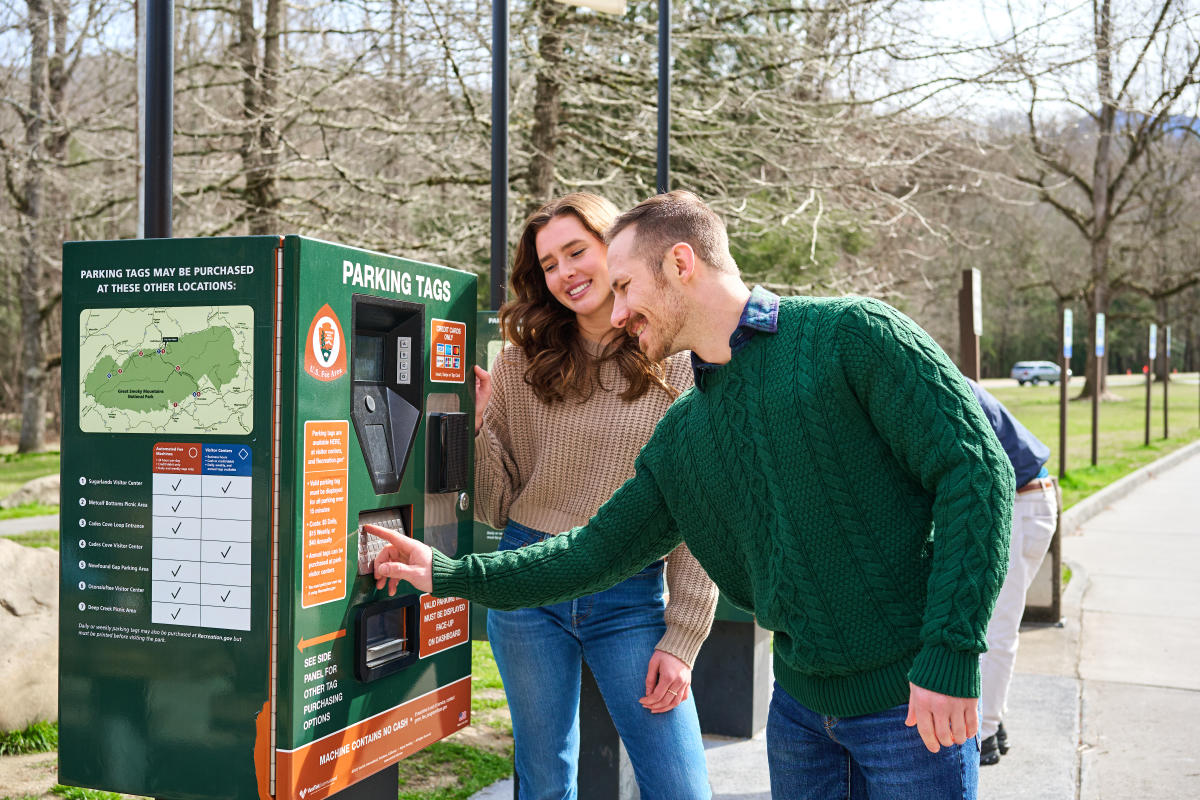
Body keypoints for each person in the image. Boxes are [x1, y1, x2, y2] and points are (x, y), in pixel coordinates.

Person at [367, 190, 1014, 799]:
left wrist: (950, 653)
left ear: (680, 264)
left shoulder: (849, 335)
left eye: (624, 286)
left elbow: (978, 472)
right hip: (799, 711)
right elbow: (592, 552)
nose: (615, 312)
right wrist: (445, 572)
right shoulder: (685, 432)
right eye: (554, 266)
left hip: (911, 701)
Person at [471, 192, 718, 800]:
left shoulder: (678, 362)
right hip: (527, 579)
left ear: (617, 246)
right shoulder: (520, 365)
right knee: (545, 782)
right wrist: (475, 429)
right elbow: (493, 507)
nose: (564, 273)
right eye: (548, 264)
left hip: (630, 593)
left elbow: (702, 513)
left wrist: (683, 638)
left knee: (680, 787)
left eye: (576, 251)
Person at [965, 378, 1058, 766]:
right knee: (991, 622)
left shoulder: (944, 388)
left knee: (997, 626)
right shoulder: (944, 380)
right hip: (1024, 498)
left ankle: (984, 734)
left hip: (1020, 501)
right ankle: (993, 719)